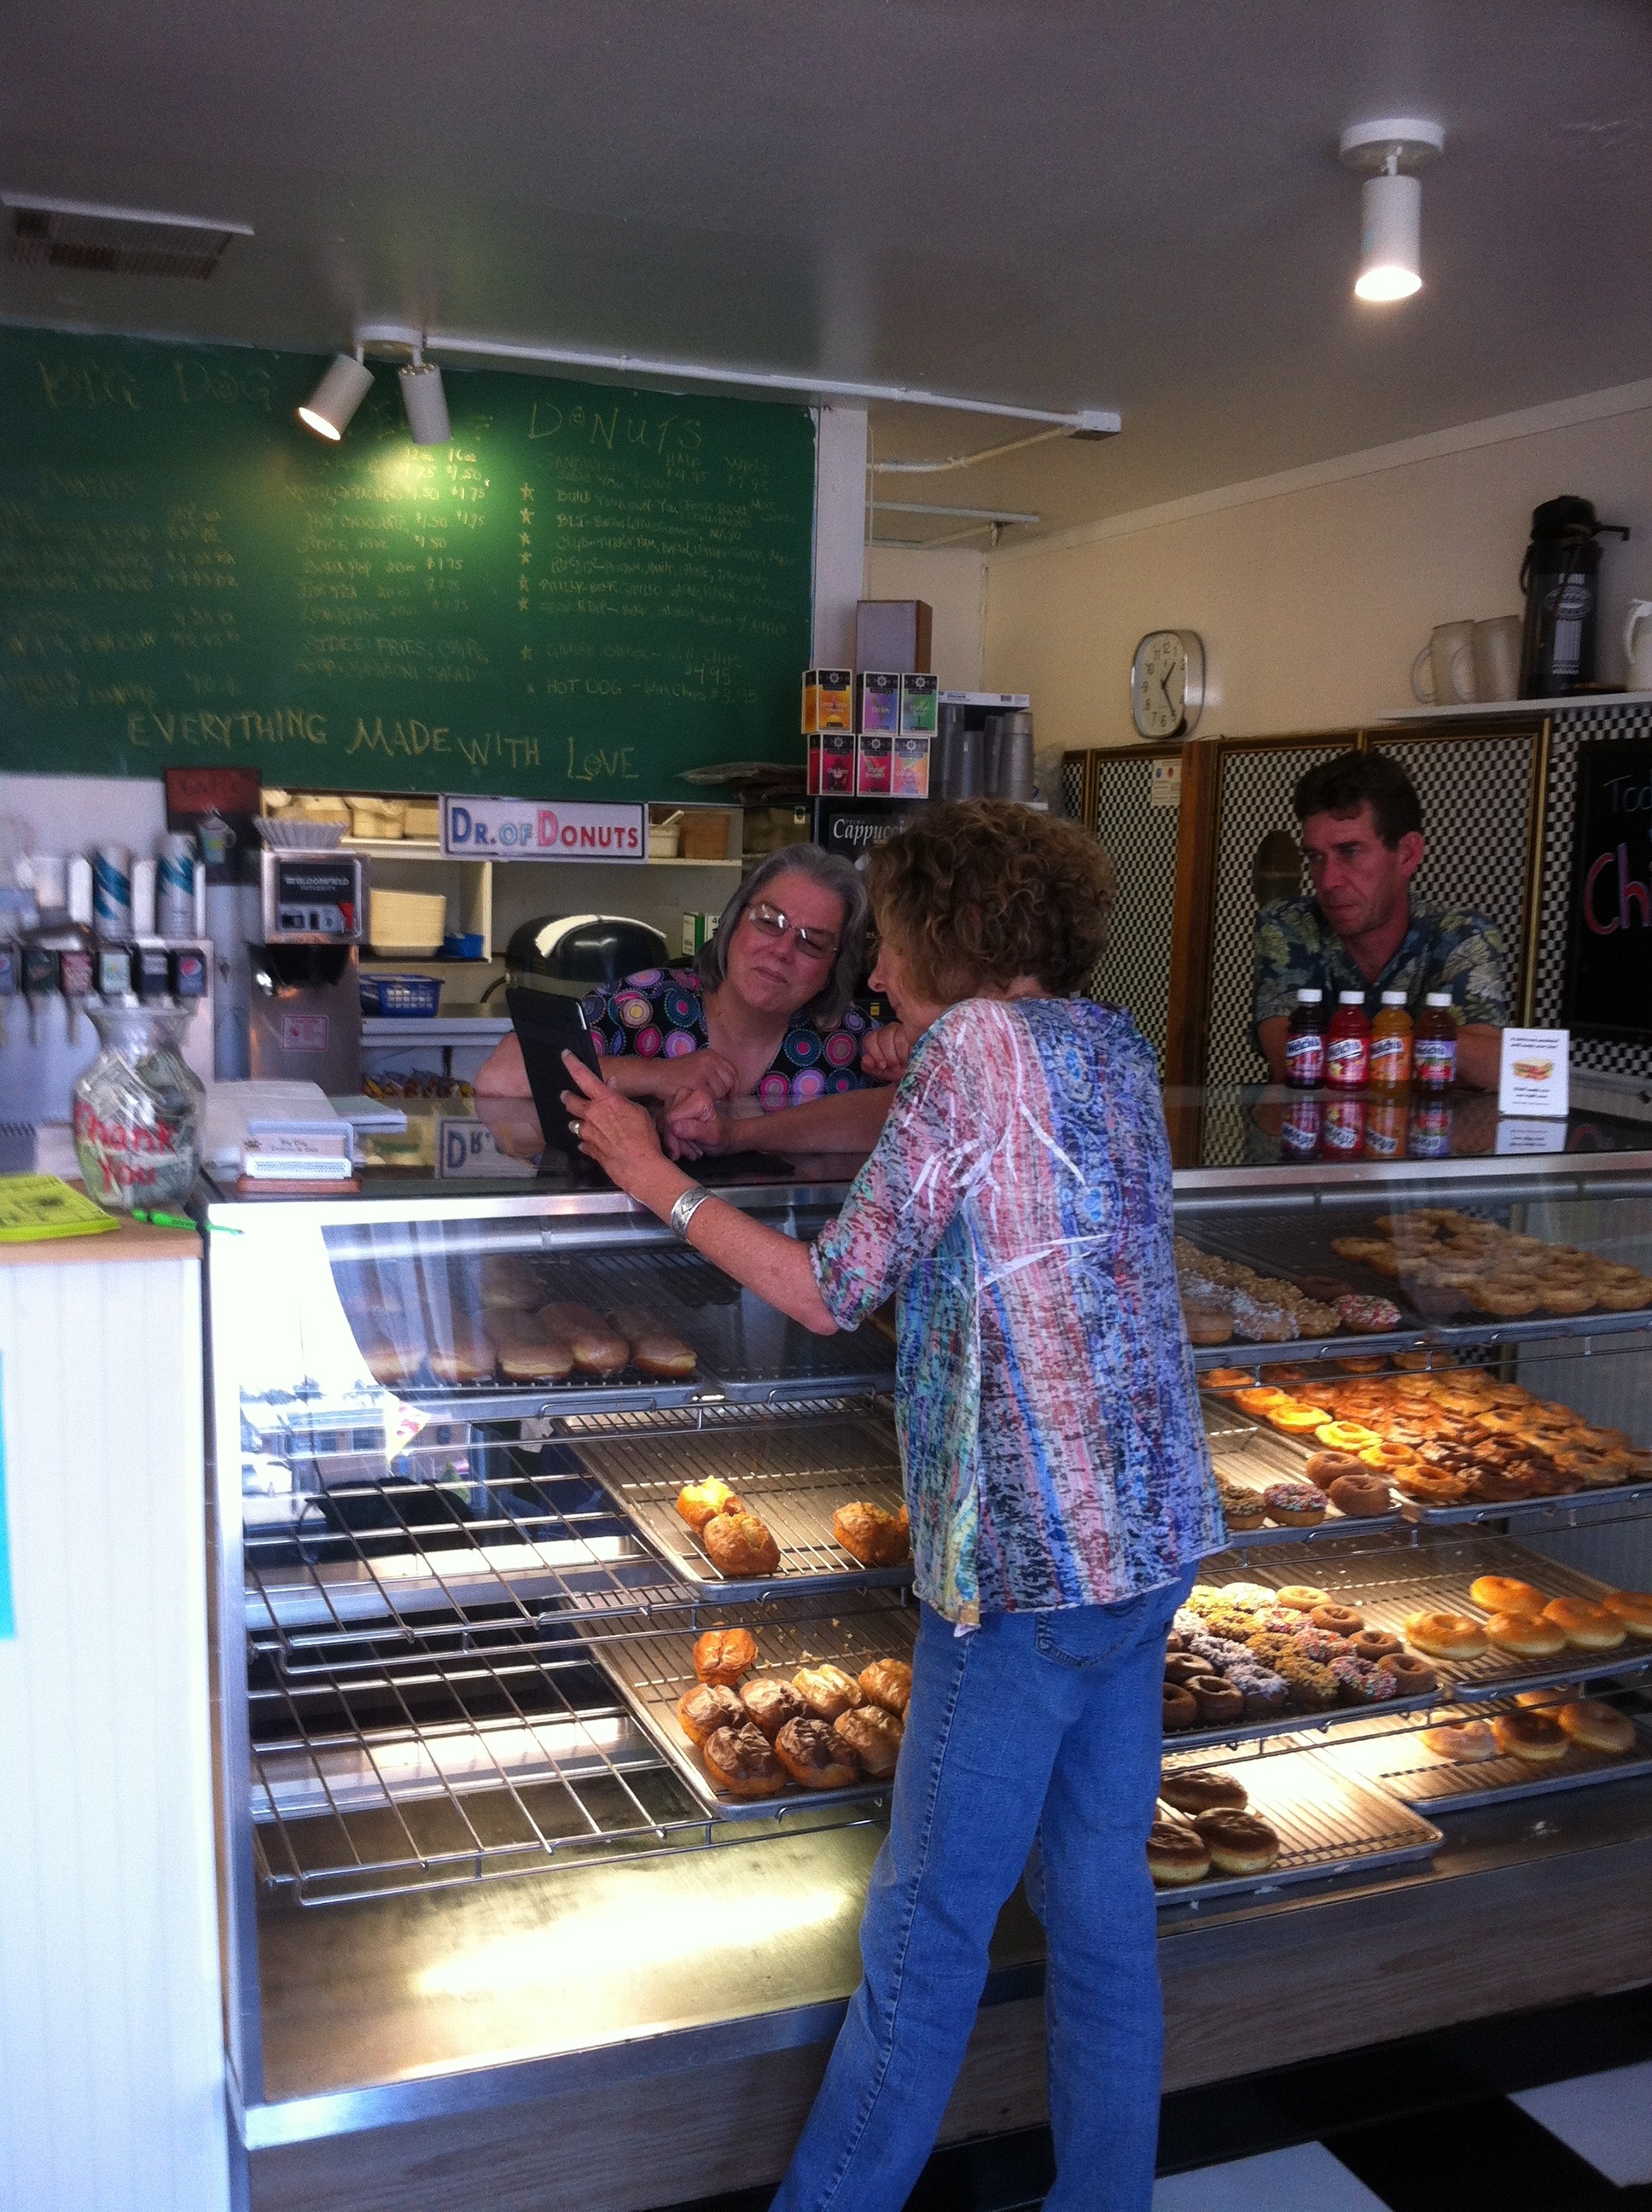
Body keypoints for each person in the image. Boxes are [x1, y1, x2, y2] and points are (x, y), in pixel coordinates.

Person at [561, 800, 1223, 2212]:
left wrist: (652, 1177)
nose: (871, 972)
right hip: (1148, 1542)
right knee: (1102, 1915)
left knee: (924, 1941)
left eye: (888, 941)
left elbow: (827, 1289)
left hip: (1025, 1570)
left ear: (949, 934)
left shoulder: (971, 1049)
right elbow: (1011, 1237)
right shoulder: (1108, 1041)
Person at [474, 844, 905, 1153]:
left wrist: (909, 1061)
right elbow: (501, 1075)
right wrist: (657, 1075)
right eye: (769, 921)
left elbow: (924, 1126)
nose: (782, 950)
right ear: (733, 923)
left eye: (813, 942)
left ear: (836, 967)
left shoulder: (853, 1044)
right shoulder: (645, 1003)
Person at [1252, 750, 1509, 1090]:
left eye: (1350, 852)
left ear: (1408, 855)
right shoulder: (1290, 924)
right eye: (1315, 857)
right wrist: (1434, 1049)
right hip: (1311, 1125)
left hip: (1428, 1125)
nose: (1328, 881)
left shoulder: (1460, 935)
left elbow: (1493, 1067)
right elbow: (1292, 1062)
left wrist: (1346, 1048)